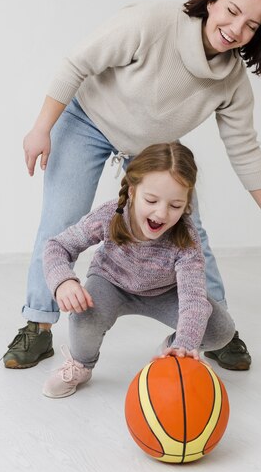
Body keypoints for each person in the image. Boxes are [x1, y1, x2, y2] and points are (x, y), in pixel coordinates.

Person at [3, 0, 261, 372]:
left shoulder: (231, 81)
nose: (235, 29)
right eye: (231, 11)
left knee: (190, 234)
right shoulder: (153, 23)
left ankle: (212, 325)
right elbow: (77, 63)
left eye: (251, 26)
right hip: (88, 119)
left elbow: (244, 148)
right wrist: (41, 128)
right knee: (60, 221)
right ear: (211, 2)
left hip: (149, 148)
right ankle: (38, 323)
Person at [41, 142, 235, 398]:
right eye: (151, 200)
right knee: (84, 315)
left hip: (165, 293)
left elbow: (194, 300)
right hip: (111, 284)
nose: (161, 213)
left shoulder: (186, 237)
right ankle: (81, 364)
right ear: (132, 191)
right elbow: (57, 246)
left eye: (175, 206)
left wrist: (183, 346)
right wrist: (63, 281)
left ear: (187, 203)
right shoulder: (112, 215)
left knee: (221, 329)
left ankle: (170, 351)